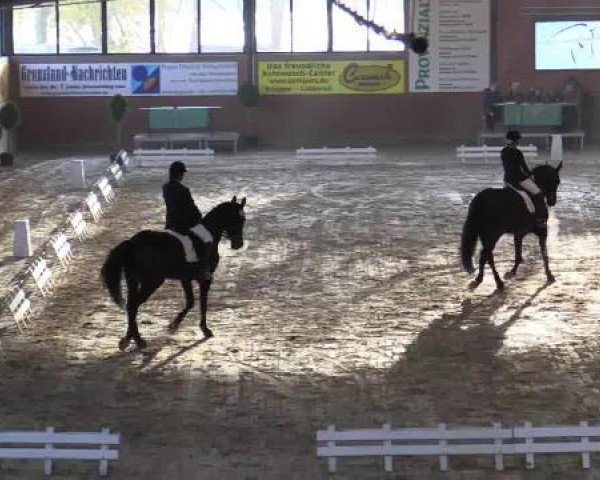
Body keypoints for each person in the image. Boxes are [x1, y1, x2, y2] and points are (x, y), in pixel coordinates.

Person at [162, 161, 212, 272]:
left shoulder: (165, 187)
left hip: (170, 224)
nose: (183, 176)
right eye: (182, 174)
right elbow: (192, 207)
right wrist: (199, 217)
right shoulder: (184, 190)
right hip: (183, 225)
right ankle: (204, 269)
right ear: (180, 174)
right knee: (208, 238)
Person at [501, 130, 546, 227]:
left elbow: (510, 169)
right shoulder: (517, 152)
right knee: (536, 193)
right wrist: (530, 176)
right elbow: (523, 167)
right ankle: (536, 218)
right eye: (517, 141)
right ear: (516, 141)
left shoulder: (503, 152)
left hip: (508, 179)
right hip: (516, 180)